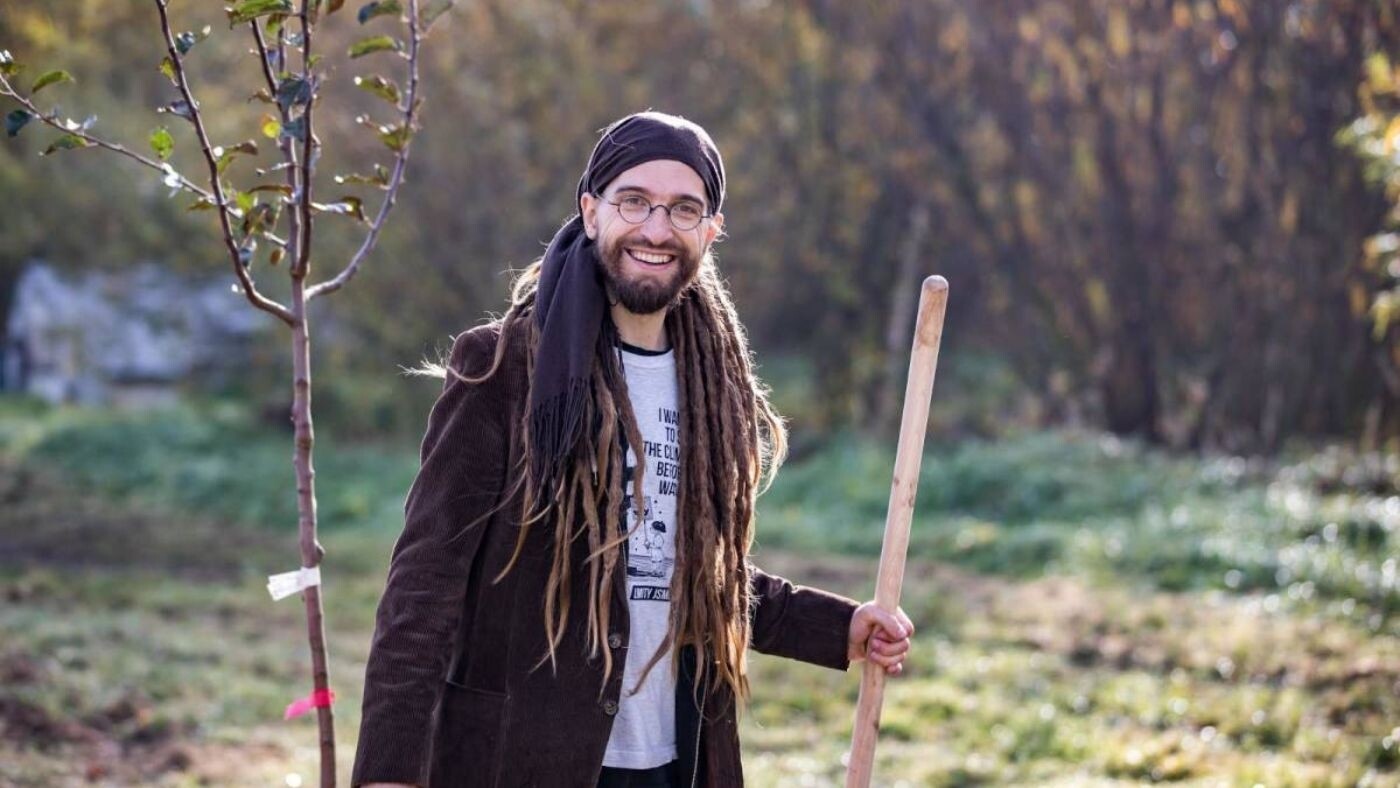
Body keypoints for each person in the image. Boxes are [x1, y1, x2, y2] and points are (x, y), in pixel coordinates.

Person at [352, 111, 914, 788]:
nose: (655, 228)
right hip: (518, 761)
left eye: (683, 209)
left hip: (675, 761)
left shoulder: (712, 383)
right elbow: (424, 587)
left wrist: (838, 627)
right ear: (591, 212)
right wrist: (389, 770)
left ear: (710, 232)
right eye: (634, 201)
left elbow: (692, 573)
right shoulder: (505, 368)